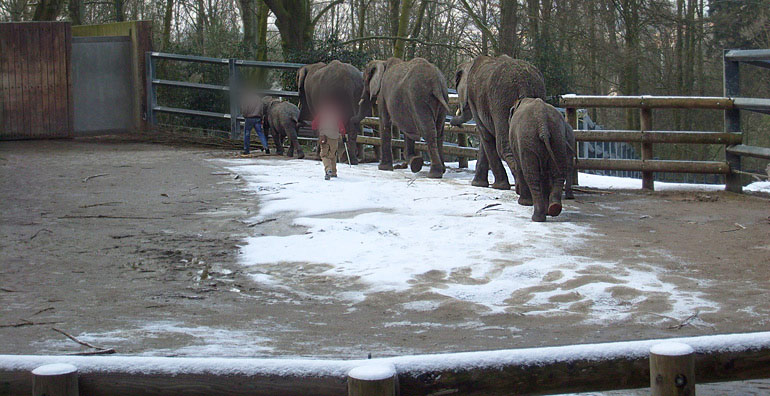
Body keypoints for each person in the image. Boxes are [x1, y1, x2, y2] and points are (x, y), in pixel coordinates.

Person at [312, 101, 347, 180]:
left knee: (324, 155)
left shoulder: (322, 114)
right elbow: (341, 126)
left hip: (324, 136)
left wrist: (315, 130)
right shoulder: (337, 115)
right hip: (334, 137)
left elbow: (314, 123)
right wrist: (343, 134)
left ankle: (328, 170)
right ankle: (334, 172)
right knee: (332, 154)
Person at [240, 90, 269, 155]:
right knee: (260, 133)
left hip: (249, 118)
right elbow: (261, 109)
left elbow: (244, 109)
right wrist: (261, 117)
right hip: (257, 118)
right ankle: (266, 147)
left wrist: (244, 115)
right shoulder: (259, 99)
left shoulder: (246, 99)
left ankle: (246, 150)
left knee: (247, 133)